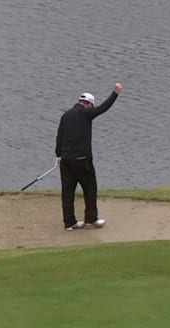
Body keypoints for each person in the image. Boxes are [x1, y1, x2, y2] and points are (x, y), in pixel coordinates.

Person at [55, 82, 123, 230]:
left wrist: (58, 154)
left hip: (65, 161)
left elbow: (59, 136)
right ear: (89, 104)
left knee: (67, 191)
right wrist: (115, 93)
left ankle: (69, 222)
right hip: (82, 160)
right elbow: (103, 108)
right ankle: (90, 219)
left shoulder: (65, 115)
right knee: (90, 188)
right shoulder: (86, 114)